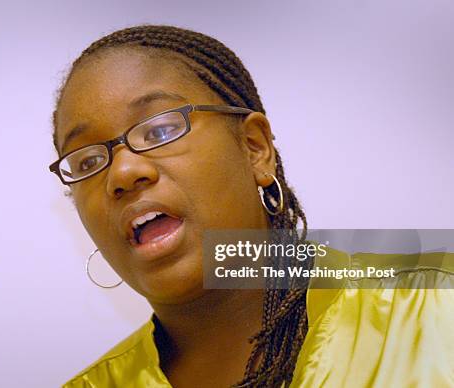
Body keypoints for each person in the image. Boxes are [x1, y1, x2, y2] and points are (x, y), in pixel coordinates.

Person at [48, 25, 454, 388]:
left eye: (160, 129)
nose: (122, 173)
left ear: (255, 148)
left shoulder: (433, 310)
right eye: (87, 161)